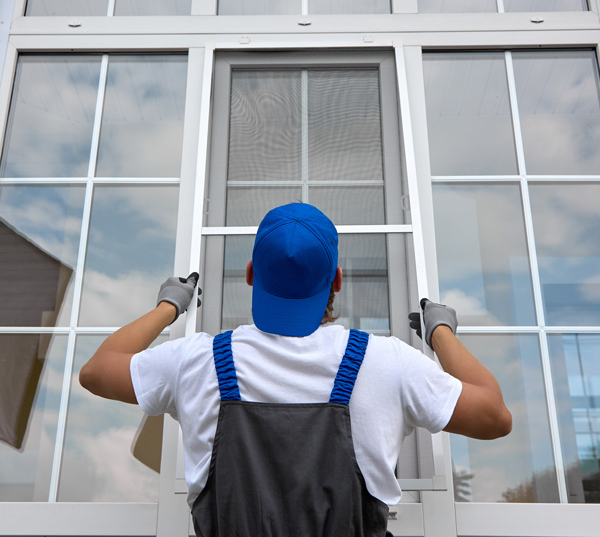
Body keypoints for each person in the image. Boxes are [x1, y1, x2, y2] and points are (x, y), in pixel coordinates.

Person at [80, 202, 511, 537]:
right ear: (336, 280)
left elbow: (97, 370)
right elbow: (495, 415)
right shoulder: (385, 362)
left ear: (250, 274)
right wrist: (439, 333)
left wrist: (168, 308)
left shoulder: (197, 360)